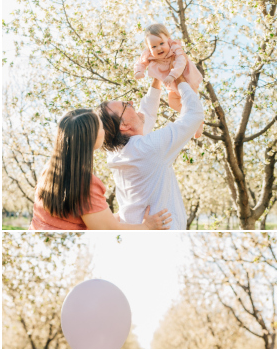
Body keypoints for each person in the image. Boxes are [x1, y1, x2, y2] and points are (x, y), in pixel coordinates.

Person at [31, 111, 171, 234]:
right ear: (91, 138)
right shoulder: (86, 185)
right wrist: (147, 226)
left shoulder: (50, 170)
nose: (104, 129)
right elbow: (108, 230)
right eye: (101, 126)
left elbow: (93, 218)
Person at [102, 81, 206, 231]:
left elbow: (146, 115)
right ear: (123, 126)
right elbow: (194, 115)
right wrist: (181, 81)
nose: (131, 102)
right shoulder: (148, 148)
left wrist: (157, 80)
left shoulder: (116, 152)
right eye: (126, 105)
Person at [135, 21, 203, 95]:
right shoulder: (148, 54)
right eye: (153, 46)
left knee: (190, 94)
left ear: (168, 39)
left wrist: (172, 75)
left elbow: (181, 61)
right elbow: (140, 62)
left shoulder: (174, 47)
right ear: (149, 47)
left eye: (161, 43)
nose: (158, 48)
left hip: (185, 75)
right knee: (173, 102)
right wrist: (138, 71)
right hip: (170, 83)